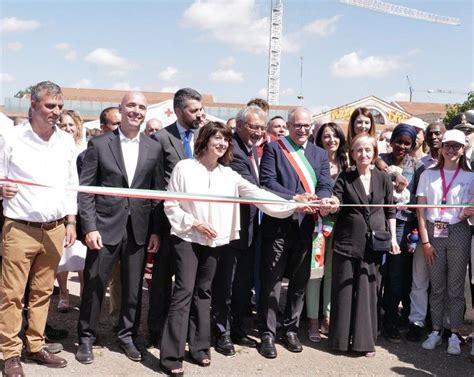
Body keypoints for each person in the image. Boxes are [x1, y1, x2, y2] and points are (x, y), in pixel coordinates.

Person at [159, 121, 307, 376]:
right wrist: (194, 223)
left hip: (215, 242)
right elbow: (171, 204)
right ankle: (171, 355)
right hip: (186, 238)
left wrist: (293, 203)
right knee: (183, 292)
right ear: (204, 140)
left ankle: (199, 347)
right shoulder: (184, 168)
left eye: (225, 139)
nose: (222, 143)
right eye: (217, 138)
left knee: (204, 293)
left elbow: (259, 194)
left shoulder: (228, 175)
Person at [76, 91, 165, 364]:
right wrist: (89, 226)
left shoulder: (154, 147)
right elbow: (86, 190)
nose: (136, 111)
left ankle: (127, 334)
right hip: (103, 227)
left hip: (138, 229)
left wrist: (155, 231)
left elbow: (157, 193)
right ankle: (87, 337)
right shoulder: (99, 144)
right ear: (121, 108)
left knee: (133, 286)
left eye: (141, 106)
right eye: (131, 106)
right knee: (95, 283)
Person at [0, 81, 77, 376]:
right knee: (12, 293)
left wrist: (71, 221)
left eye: (59, 106)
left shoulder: (66, 141)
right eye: (49, 106)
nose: (56, 112)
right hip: (20, 228)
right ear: (33, 106)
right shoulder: (11, 137)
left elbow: (72, 185)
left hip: (55, 228)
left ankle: (34, 345)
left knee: (43, 291)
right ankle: (9, 353)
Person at [258, 107, 335, 359]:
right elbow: (267, 183)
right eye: (297, 125)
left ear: (312, 127)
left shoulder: (319, 154)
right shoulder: (275, 149)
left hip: (306, 227)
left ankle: (290, 329)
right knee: (272, 282)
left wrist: (322, 200)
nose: (302, 129)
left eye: (306, 125)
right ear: (289, 126)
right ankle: (267, 333)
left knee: (300, 282)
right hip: (279, 225)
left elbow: (325, 184)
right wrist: (294, 198)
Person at [329, 134, 398, 357]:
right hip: (347, 241)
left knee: (369, 291)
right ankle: (340, 341)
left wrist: (394, 239)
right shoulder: (345, 176)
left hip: (374, 244)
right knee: (344, 290)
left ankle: (364, 342)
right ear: (352, 153)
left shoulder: (384, 178)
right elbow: (336, 199)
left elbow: (390, 210)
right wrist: (332, 203)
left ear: (374, 153)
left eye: (368, 150)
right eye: (359, 150)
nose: (363, 154)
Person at [147, 87, 204, 348]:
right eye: (194, 110)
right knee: (161, 281)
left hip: (198, 223)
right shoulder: (160, 138)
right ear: (179, 111)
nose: (199, 115)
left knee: (189, 284)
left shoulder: (203, 138)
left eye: (201, 109)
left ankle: (186, 335)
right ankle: (156, 333)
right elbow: (156, 185)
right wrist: (156, 230)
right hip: (168, 221)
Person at [211, 105, 266, 356]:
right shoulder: (233, 153)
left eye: (262, 128)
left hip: (250, 231)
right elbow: (252, 187)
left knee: (242, 284)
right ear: (241, 126)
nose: (258, 132)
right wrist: (292, 200)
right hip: (232, 230)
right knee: (227, 284)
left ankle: (235, 328)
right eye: (254, 127)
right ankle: (221, 331)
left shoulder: (253, 151)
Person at [416, 129, 473, 356]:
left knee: (456, 288)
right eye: (447, 145)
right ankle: (436, 330)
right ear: (441, 147)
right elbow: (420, 211)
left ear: (463, 149)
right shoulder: (427, 175)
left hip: (459, 231)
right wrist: (426, 241)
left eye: (456, 146)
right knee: (437, 285)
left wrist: (467, 213)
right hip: (433, 232)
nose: (451, 150)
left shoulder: (470, 176)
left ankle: (455, 332)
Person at [378, 123, 425, 343]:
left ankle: (396, 319)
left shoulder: (417, 166)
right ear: (392, 141)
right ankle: (383, 320)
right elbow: (375, 163)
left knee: (401, 277)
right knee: (385, 275)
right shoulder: (382, 160)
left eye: (407, 143)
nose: (402, 147)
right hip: (381, 224)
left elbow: (419, 196)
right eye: (399, 141)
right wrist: (392, 173)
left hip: (405, 226)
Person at [305, 122, 349, 342]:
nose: (331, 140)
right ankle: (312, 320)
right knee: (315, 272)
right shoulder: (312, 160)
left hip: (340, 225)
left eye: (335, 136)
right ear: (319, 139)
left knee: (332, 272)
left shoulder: (347, 162)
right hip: (316, 224)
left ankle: (327, 317)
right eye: (326, 136)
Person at [406, 121, 446, 342]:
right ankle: (416, 321)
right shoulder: (420, 165)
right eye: (430, 133)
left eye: (438, 133)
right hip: (424, 227)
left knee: (446, 281)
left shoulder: (461, 165)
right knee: (419, 279)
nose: (434, 137)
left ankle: (443, 324)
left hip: (451, 229)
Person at [56, 109, 87, 312]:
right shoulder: (55, 147)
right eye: (63, 125)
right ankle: (64, 292)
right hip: (61, 206)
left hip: (82, 206)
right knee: (63, 253)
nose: (67, 128)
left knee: (83, 253)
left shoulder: (86, 148)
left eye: (70, 125)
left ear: (77, 126)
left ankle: (85, 292)